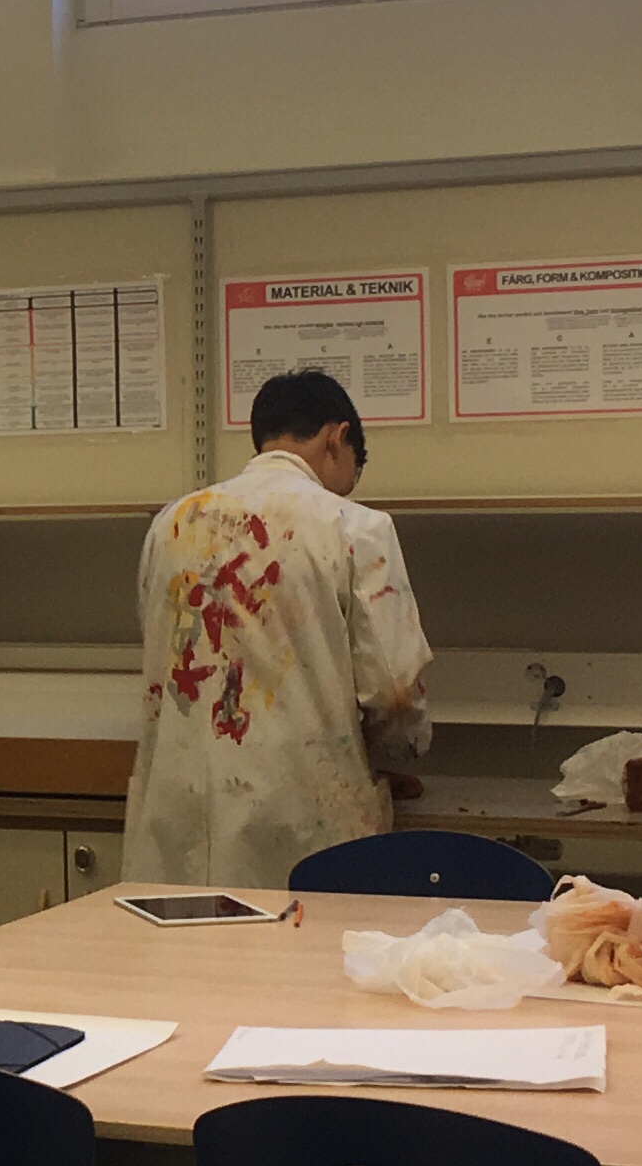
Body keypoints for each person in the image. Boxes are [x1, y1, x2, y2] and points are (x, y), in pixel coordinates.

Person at [122, 369, 432, 890]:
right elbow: (395, 694)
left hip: (178, 823)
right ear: (337, 438)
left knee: (180, 942)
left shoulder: (170, 525)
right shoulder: (356, 527)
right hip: (300, 829)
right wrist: (396, 754)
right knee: (296, 941)